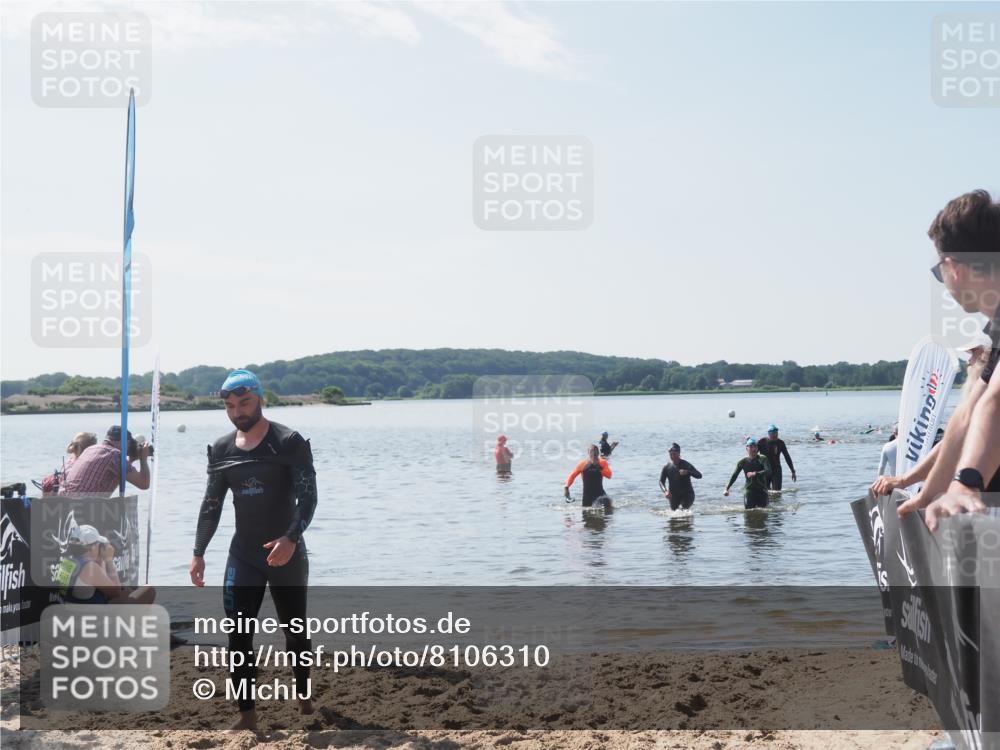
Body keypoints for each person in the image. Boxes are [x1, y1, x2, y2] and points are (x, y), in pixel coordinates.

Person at [189, 369, 318, 730]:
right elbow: (211, 504)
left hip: (287, 553)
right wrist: (199, 552)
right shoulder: (220, 449)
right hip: (243, 554)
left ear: (260, 398)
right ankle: (247, 715)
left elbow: (308, 497)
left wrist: (291, 538)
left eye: (243, 402)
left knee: (295, 629)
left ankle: (305, 698)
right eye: (230, 405)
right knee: (238, 633)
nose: (237, 411)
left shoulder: (288, 441)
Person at [880, 190, 1000, 530]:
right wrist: (928, 492)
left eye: (938, 272)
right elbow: (967, 413)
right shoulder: (995, 326)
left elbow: (996, 400)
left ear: (954, 268)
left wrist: (966, 482)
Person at [53, 524, 155, 605]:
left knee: (128, 590)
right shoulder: (90, 568)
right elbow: (116, 593)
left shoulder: (67, 563)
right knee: (149, 590)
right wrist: (109, 560)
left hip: (72, 614)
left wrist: (100, 560)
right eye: (98, 544)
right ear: (92, 547)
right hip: (89, 622)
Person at [58, 426, 151, 496]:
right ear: (121, 441)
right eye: (129, 444)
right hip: (85, 509)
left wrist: (131, 460)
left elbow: (115, 470)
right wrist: (143, 459)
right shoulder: (115, 455)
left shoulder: (91, 449)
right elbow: (144, 484)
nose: (128, 449)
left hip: (67, 505)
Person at [724, 438, 772, 509]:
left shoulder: (763, 459)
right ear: (747, 448)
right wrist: (727, 488)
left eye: (755, 446)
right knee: (748, 513)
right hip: (749, 491)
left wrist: (756, 473)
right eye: (751, 446)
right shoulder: (742, 462)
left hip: (762, 490)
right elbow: (734, 475)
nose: (753, 448)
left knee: (764, 514)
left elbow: (769, 471)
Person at [658, 443, 703, 510]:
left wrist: (687, 472)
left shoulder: (686, 465)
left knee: (683, 510)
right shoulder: (667, 467)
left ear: (679, 454)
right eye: (671, 454)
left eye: (674, 454)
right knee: (674, 513)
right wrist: (665, 491)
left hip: (687, 495)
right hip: (673, 496)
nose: (672, 456)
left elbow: (699, 475)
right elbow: (661, 481)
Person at [756, 424, 796, 490]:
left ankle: (776, 500)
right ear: (768, 434)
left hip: (776, 470)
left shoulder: (780, 443)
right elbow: (753, 455)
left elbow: (787, 457)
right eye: (772, 433)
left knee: (777, 492)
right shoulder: (762, 442)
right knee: (765, 491)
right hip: (764, 470)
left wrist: (793, 471)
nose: (775, 435)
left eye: (776, 433)